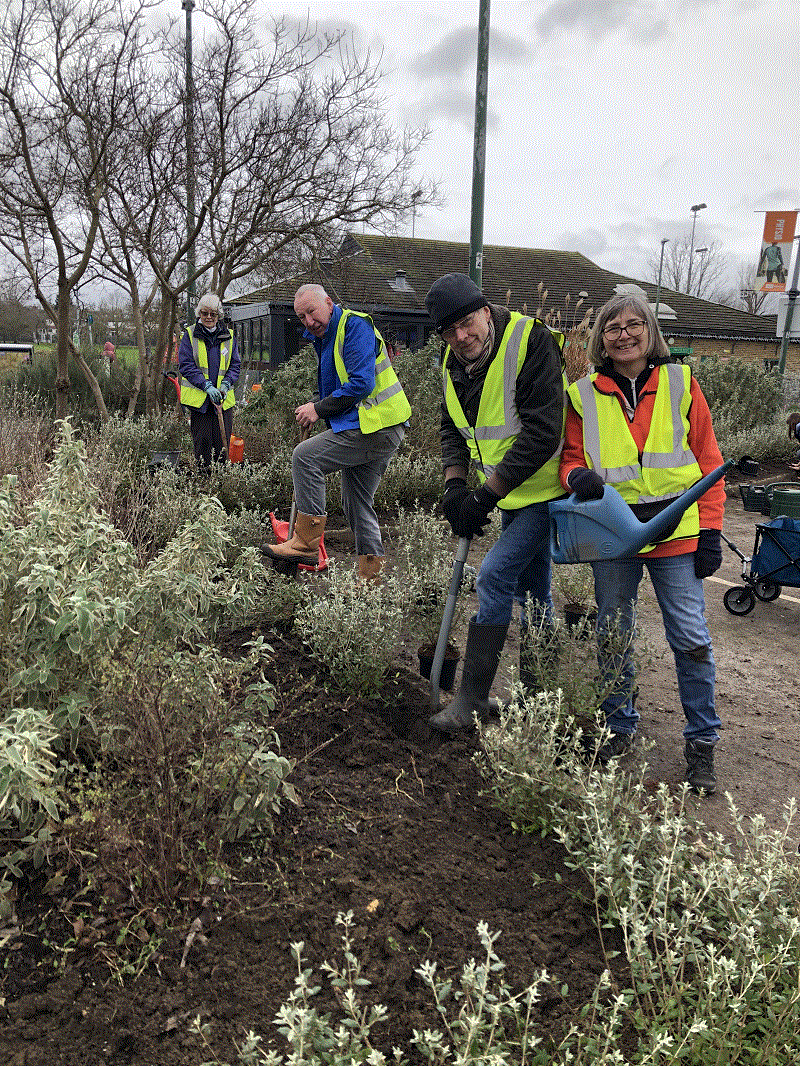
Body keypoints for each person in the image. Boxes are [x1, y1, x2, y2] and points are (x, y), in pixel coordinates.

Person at [560, 292, 725, 793]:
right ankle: (617, 729)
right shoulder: (581, 394)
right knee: (613, 635)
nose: (624, 334)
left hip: (676, 533)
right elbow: (569, 459)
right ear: (600, 340)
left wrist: (712, 531)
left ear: (651, 333)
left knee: (691, 640)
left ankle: (702, 742)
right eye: (613, 328)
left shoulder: (682, 383)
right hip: (614, 537)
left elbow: (709, 462)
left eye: (635, 325)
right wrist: (578, 478)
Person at [424, 273, 566, 732]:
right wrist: (454, 486)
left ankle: (471, 701)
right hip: (509, 497)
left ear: (485, 311)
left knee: (494, 575)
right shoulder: (453, 362)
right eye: (450, 331)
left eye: (467, 323)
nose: (461, 336)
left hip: (546, 491)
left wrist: (485, 495)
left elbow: (544, 432)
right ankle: (537, 698)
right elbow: (452, 429)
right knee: (535, 594)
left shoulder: (531, 342)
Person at [262, 284, 411, 581]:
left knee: (305, 458)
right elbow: (335, 385)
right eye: (301, 317)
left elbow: (361, 384)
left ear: (328, 303)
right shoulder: (326, 337)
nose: (308, 321)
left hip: (377, 426)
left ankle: (305, 544)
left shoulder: (354, 327)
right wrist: (319, 407)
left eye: (311, 312)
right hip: (376, 427)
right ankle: (370, 581)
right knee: (356, 503)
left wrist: (318, 409)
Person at [178, 292, 240, 472]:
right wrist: (206, 385)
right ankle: (204, 480)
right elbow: (186, 365)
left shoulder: (229, 336)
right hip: (200, 402)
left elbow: (235, 365)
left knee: (222, 442)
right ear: (199, 314)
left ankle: (221, 480)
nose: (209, 317)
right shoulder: (190, 335)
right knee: (203, 442)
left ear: (218, 315)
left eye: (213, 314)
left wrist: (226, 384)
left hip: (223, 400)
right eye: (205, 313)